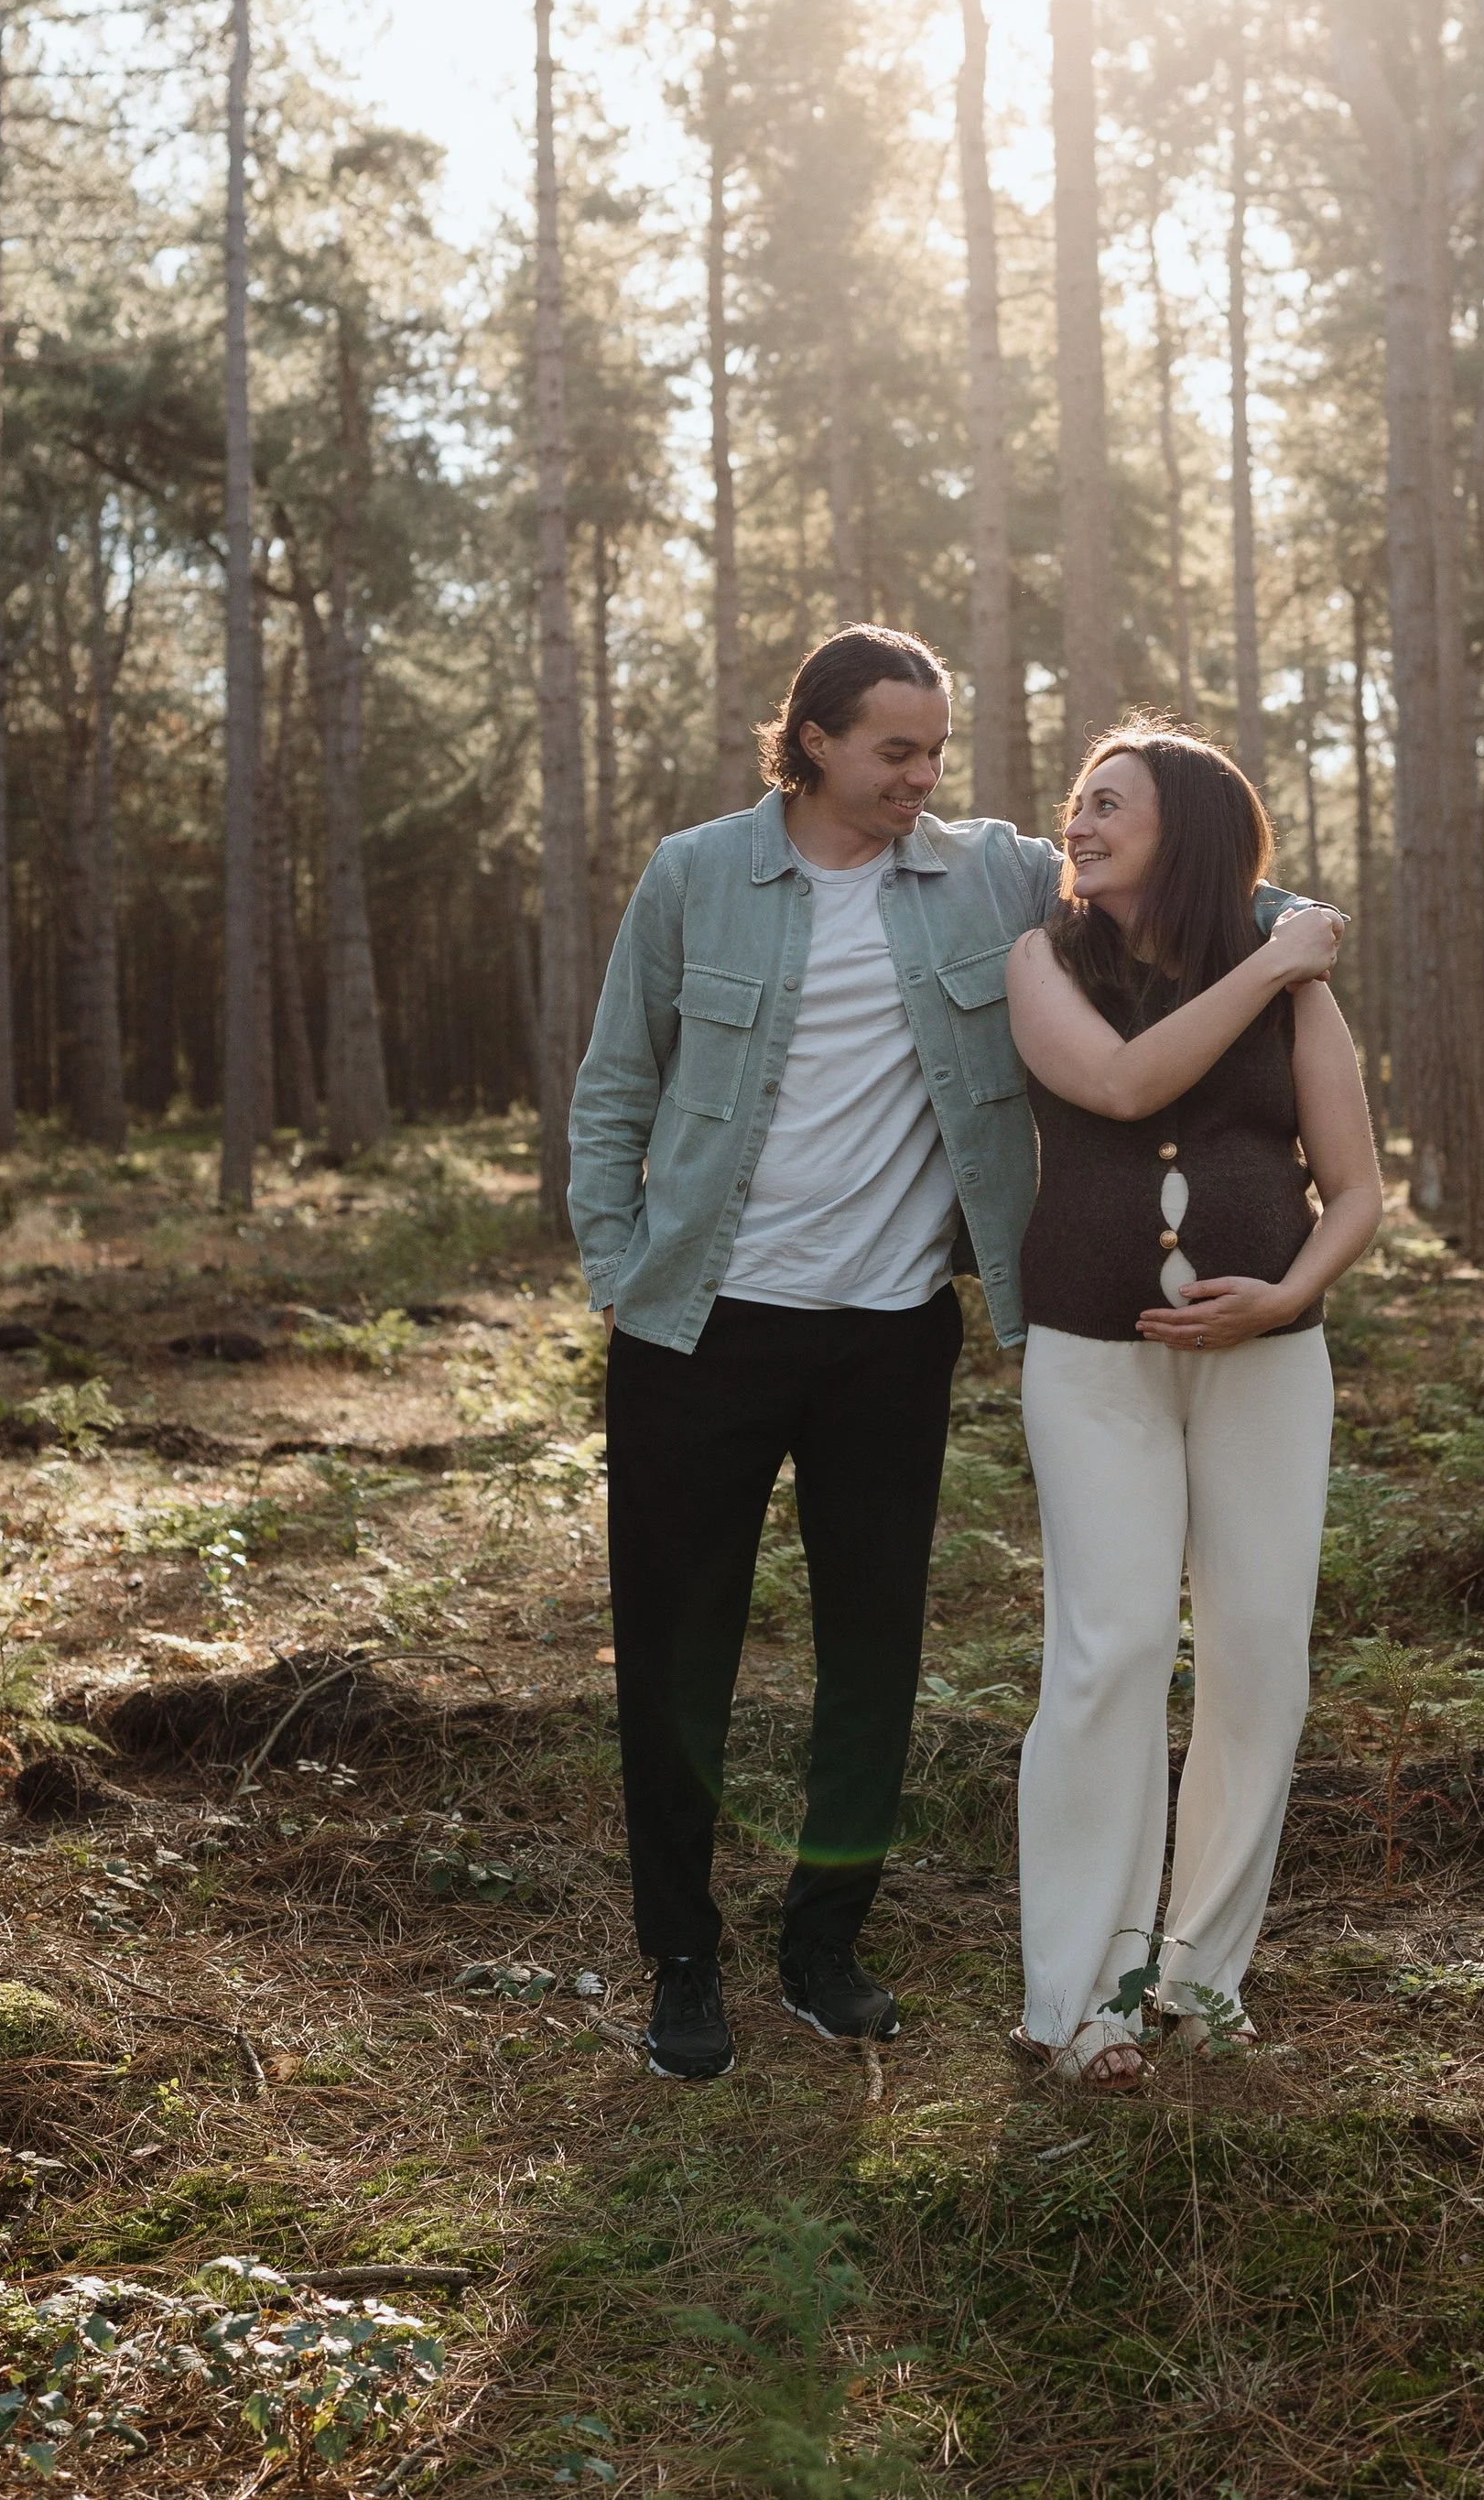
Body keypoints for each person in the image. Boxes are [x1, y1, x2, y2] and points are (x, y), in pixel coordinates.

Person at [568, 629, 1305, 2082]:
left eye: (936, 749)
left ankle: (822, 1947)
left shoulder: (984, 872)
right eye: (897, 749)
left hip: (891, 1335)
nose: (924, 775)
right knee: (674, 1658)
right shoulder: (696, 875)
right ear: (817, 740)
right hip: (698, 1329)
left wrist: (1293, 915)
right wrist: (618, 1268)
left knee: (873, 1656)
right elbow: (614, 1086)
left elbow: (1168, 862)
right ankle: (681, 1960)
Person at [1002, 723, 1381, 2089]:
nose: (1080, 822)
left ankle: (1200, 1980)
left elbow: (1358, 1193)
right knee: (1107, 1652)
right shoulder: (1046, 960)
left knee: (1259, 1652)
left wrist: (1284, 1299)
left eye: (1111, 804)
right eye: (1078, 803)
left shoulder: (1299, 992)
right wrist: (1276, 958)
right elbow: (1116, 1081)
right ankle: (1082, 1999)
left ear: (1190, 832)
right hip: (1093, 1357)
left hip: (1267, 1366)